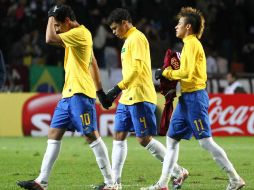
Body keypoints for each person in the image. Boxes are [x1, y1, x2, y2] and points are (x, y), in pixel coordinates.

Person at [141, 7, 245, 190]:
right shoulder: (189, 44)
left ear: (188, 27)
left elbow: (186, 73)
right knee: (171, 140)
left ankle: (235, 179)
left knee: (206, 142)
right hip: (186, 98)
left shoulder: (191, 44)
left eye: (179, 23)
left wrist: (165, 72)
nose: (176, 26)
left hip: (195, 98)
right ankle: (163, 184)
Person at [17, 4, 116, 190]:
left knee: (90, 135)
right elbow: (93, 61)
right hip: (68, 94)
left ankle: (111, 183)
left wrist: (50, 15)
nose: (55, 28)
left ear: (68, 22)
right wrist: (101, 91)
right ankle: (42, 181)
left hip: (80, 94)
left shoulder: (80, 33)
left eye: (57, 25)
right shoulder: (75, 36)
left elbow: (48, 38)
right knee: (54, 134)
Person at [104, 8, 188, 190]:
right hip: (127, 97)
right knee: (118, 136)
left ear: (125, 23)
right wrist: (120, 91)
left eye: (114, 28)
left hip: (140, 95)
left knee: (144, 139)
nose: (113, 32)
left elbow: (136, 71)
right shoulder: (128, 40)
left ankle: (177, 171)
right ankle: (114, 183)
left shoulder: (137, 38)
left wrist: (116, 88)